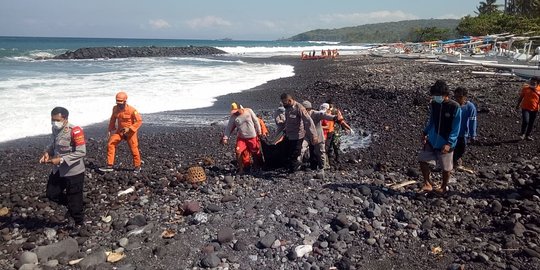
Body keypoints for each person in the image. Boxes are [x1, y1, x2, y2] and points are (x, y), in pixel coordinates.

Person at [39, 107, 86, 227]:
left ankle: (79, 223)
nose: (54, 122)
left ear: (65, 119)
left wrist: (61, 159)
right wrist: (47, 153)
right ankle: (75, 206)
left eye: (57, 120)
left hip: (73, 171)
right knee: (52, 194)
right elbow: (54, 144)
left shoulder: (75, 131)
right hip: (58, 170)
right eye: (52, 120)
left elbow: (81, 152)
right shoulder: (55, 128)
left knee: (74, 198)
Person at [419, 80, 462, 194]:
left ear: (445, 95)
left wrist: (449, 143)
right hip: (432, 138)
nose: (436, 97)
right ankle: (427, 183)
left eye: (438, 95)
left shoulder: (455, 107)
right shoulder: (434, 104)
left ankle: (443, 187)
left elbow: (456, 128)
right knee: (423, 159)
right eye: (434, 95)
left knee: (446, 168)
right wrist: (425, 132)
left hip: (445, 141)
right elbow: (432, 120)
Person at [101, 91, 143, 172]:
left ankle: (137, 166)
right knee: (111, 143)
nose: (119, 104)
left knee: (134, 149)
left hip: (130, 133)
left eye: (120, 102)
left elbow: (139, 121)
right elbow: (113, 119)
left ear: (125, 101)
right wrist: (110, 129)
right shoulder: (115, 108)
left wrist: (130, 128)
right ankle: (110, 165)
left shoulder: (132, 110)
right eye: (117, 102)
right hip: (120, 131)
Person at [279, 93, 319, 173]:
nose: (283, 105)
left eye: (284, 102)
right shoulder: (288, 108)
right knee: (286, 152)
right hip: (289, 135)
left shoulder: (299, 108)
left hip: (297, 136)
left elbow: (308, 121)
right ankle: (292, 168)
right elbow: (288, 121)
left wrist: (313, 135)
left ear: (290, 100)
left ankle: (297, 168)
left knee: (294, 153)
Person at [302, 100, 346, 172]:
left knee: (322, 151)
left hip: (324, 135)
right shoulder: (303, 114)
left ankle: (323, 166)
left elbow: (326, 117)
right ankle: (314, 166)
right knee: (312, 150)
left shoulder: (318, 113)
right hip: (311, 136)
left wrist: (334, 118)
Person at [221, 102, 263, 174]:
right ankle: (241, 169)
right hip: (241, 137)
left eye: (237, 111)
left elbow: (256, 121)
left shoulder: (249, 111)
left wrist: (259, 132)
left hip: (252, 136)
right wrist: (225, 138)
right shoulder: (233, 117)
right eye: (234, 112)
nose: (236, 113)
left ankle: (256, 166)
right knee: (238, 152)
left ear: (240, 108)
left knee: (255, 152)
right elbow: (229, 128)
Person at [453, 87, 477, 169]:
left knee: (461, 149)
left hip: (463, 133)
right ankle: (454, 163)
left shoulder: (470, 107)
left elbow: (472, 121)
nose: (457, 99)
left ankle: (457, 162)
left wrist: (472, 134)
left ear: (465, 97)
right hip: (453, 133)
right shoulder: (453, 105)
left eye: (459, 97)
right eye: (455, 97)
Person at [325, 99, 352, 163]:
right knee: (333, 144)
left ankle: (333, 158)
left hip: (330, 130)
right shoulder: (334, 111)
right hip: (333, 130)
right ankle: (334, 158)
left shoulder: (328, 111)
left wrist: (345, 128)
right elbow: (341, 121)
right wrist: (346, 128)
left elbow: (341, 121)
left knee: (331, 145)